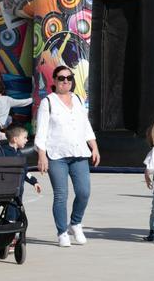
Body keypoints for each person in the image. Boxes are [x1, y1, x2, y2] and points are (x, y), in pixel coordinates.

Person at [35, 65, 100, 248]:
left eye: (69, 78)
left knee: (84, 192)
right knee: (61, 195)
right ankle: (62, 231)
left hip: (79, 153)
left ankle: (76, 222)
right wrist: (42, 155)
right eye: (62, 78)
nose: (66, 81)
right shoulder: (48, 102)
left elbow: (85, 125)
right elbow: (42, 131)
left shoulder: (78, 99)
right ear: (54, 81)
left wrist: (94, 146)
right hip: (57, 155)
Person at [0, 125, 41, 223]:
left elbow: (25, 171)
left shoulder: (20, 154)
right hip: (7, 189)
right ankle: (10, 228)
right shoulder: (2, 152)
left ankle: (12, 228)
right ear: (15, 139)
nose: (26, 140)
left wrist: (34, 182)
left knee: (17, 210)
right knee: (12, 208)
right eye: (24, 137)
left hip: (18, 190)